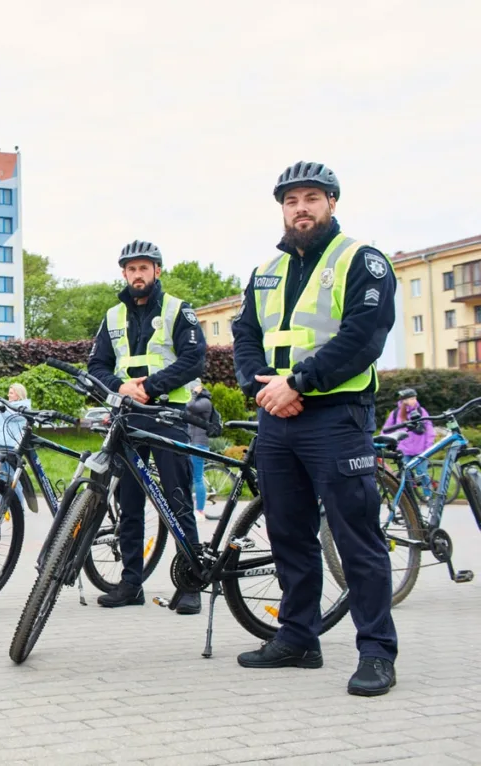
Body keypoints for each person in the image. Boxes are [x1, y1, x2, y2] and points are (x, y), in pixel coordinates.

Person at [231, 161, 398, 696]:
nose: (300, 208)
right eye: (291, 200)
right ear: (281, 209)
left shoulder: (362, 261)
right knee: (288, 534)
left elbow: (362, 336)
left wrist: (297, 383)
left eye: (312, 198)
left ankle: (376, 652)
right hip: (276, 418)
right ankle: (298, 636)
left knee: (357, 537)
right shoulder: (265, 272)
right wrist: (257, 387)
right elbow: (245, 336)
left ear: (332, 203)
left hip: (336, 418)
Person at [88, 240, 206, 614]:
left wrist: (149, 388)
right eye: (131, 269)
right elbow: (97, 367)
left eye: (145, 268)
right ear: (123, 273)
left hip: (167, 415)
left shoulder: (177, 310)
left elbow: (194, 359)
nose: (138, 275)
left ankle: (190, 584)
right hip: (129, 416)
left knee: (177, 498)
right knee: (129, 503)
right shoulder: (112, 316)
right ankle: (130, 583)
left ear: (157, 271)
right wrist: (121, 387)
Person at [0, 382, 30, 508]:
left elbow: (11, 417)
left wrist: (0, 406)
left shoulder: (22, 408)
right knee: (1, 480)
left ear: (18, 395)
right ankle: (4, 508)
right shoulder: (7, 407)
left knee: (13, 480)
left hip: (10, 448)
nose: (8, 395)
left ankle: (19, 508)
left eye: (11, 392)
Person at [383, 388, 435, 499]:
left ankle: (429, 495)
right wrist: (384, 441)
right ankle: (409, 498)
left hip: (421, 449)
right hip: (404, 449)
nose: (414, 400)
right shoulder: (396, 413)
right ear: (404, 400)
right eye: (411, 398)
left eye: (415, 398)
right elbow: (387, 429)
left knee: (422, 472)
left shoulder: (421, 411)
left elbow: (429, 428)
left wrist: (429, 446)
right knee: (405, 474)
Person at [187, 380, 216, 520]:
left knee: (197, 478)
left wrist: (193, 394)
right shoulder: (200, 401)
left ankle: (200, 511)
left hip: (199, 444)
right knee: (192, 477)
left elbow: (190, 406)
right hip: (192, 442)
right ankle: (194, 509)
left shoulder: (205, 401)